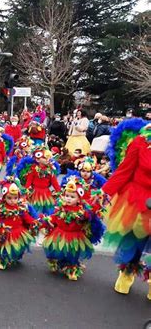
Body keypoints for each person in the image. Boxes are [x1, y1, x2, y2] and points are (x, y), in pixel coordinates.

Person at [102, 120, 150, 300]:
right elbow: (124, 171)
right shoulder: (140, 142)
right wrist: (104, 192)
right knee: (134, 242)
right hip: (138, 201)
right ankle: (127, 274)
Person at [42, 177, 104, 281]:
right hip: (59, 234)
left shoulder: (82, 211)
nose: (68, 198)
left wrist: (97, 204)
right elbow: (54, 217)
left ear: (79, 199)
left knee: (72, 255)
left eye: (72, 196)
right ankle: (56, 262)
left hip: (75, 236)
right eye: (66, 196)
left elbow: (91, 214)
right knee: (55, 250)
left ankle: (71, 269)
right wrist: (47, 221)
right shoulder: (60, 207)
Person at [0, 178, 39, 270]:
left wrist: (34, 222)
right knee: (2, 248)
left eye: (15, 198)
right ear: (4, 197)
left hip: (18, 232)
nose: (13, 200)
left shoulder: (20, 208)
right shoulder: (0, 208)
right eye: (9, 198)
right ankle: (1, 260)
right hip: (5, 232)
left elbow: (26, 217)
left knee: (17, 247)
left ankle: (14, 257)